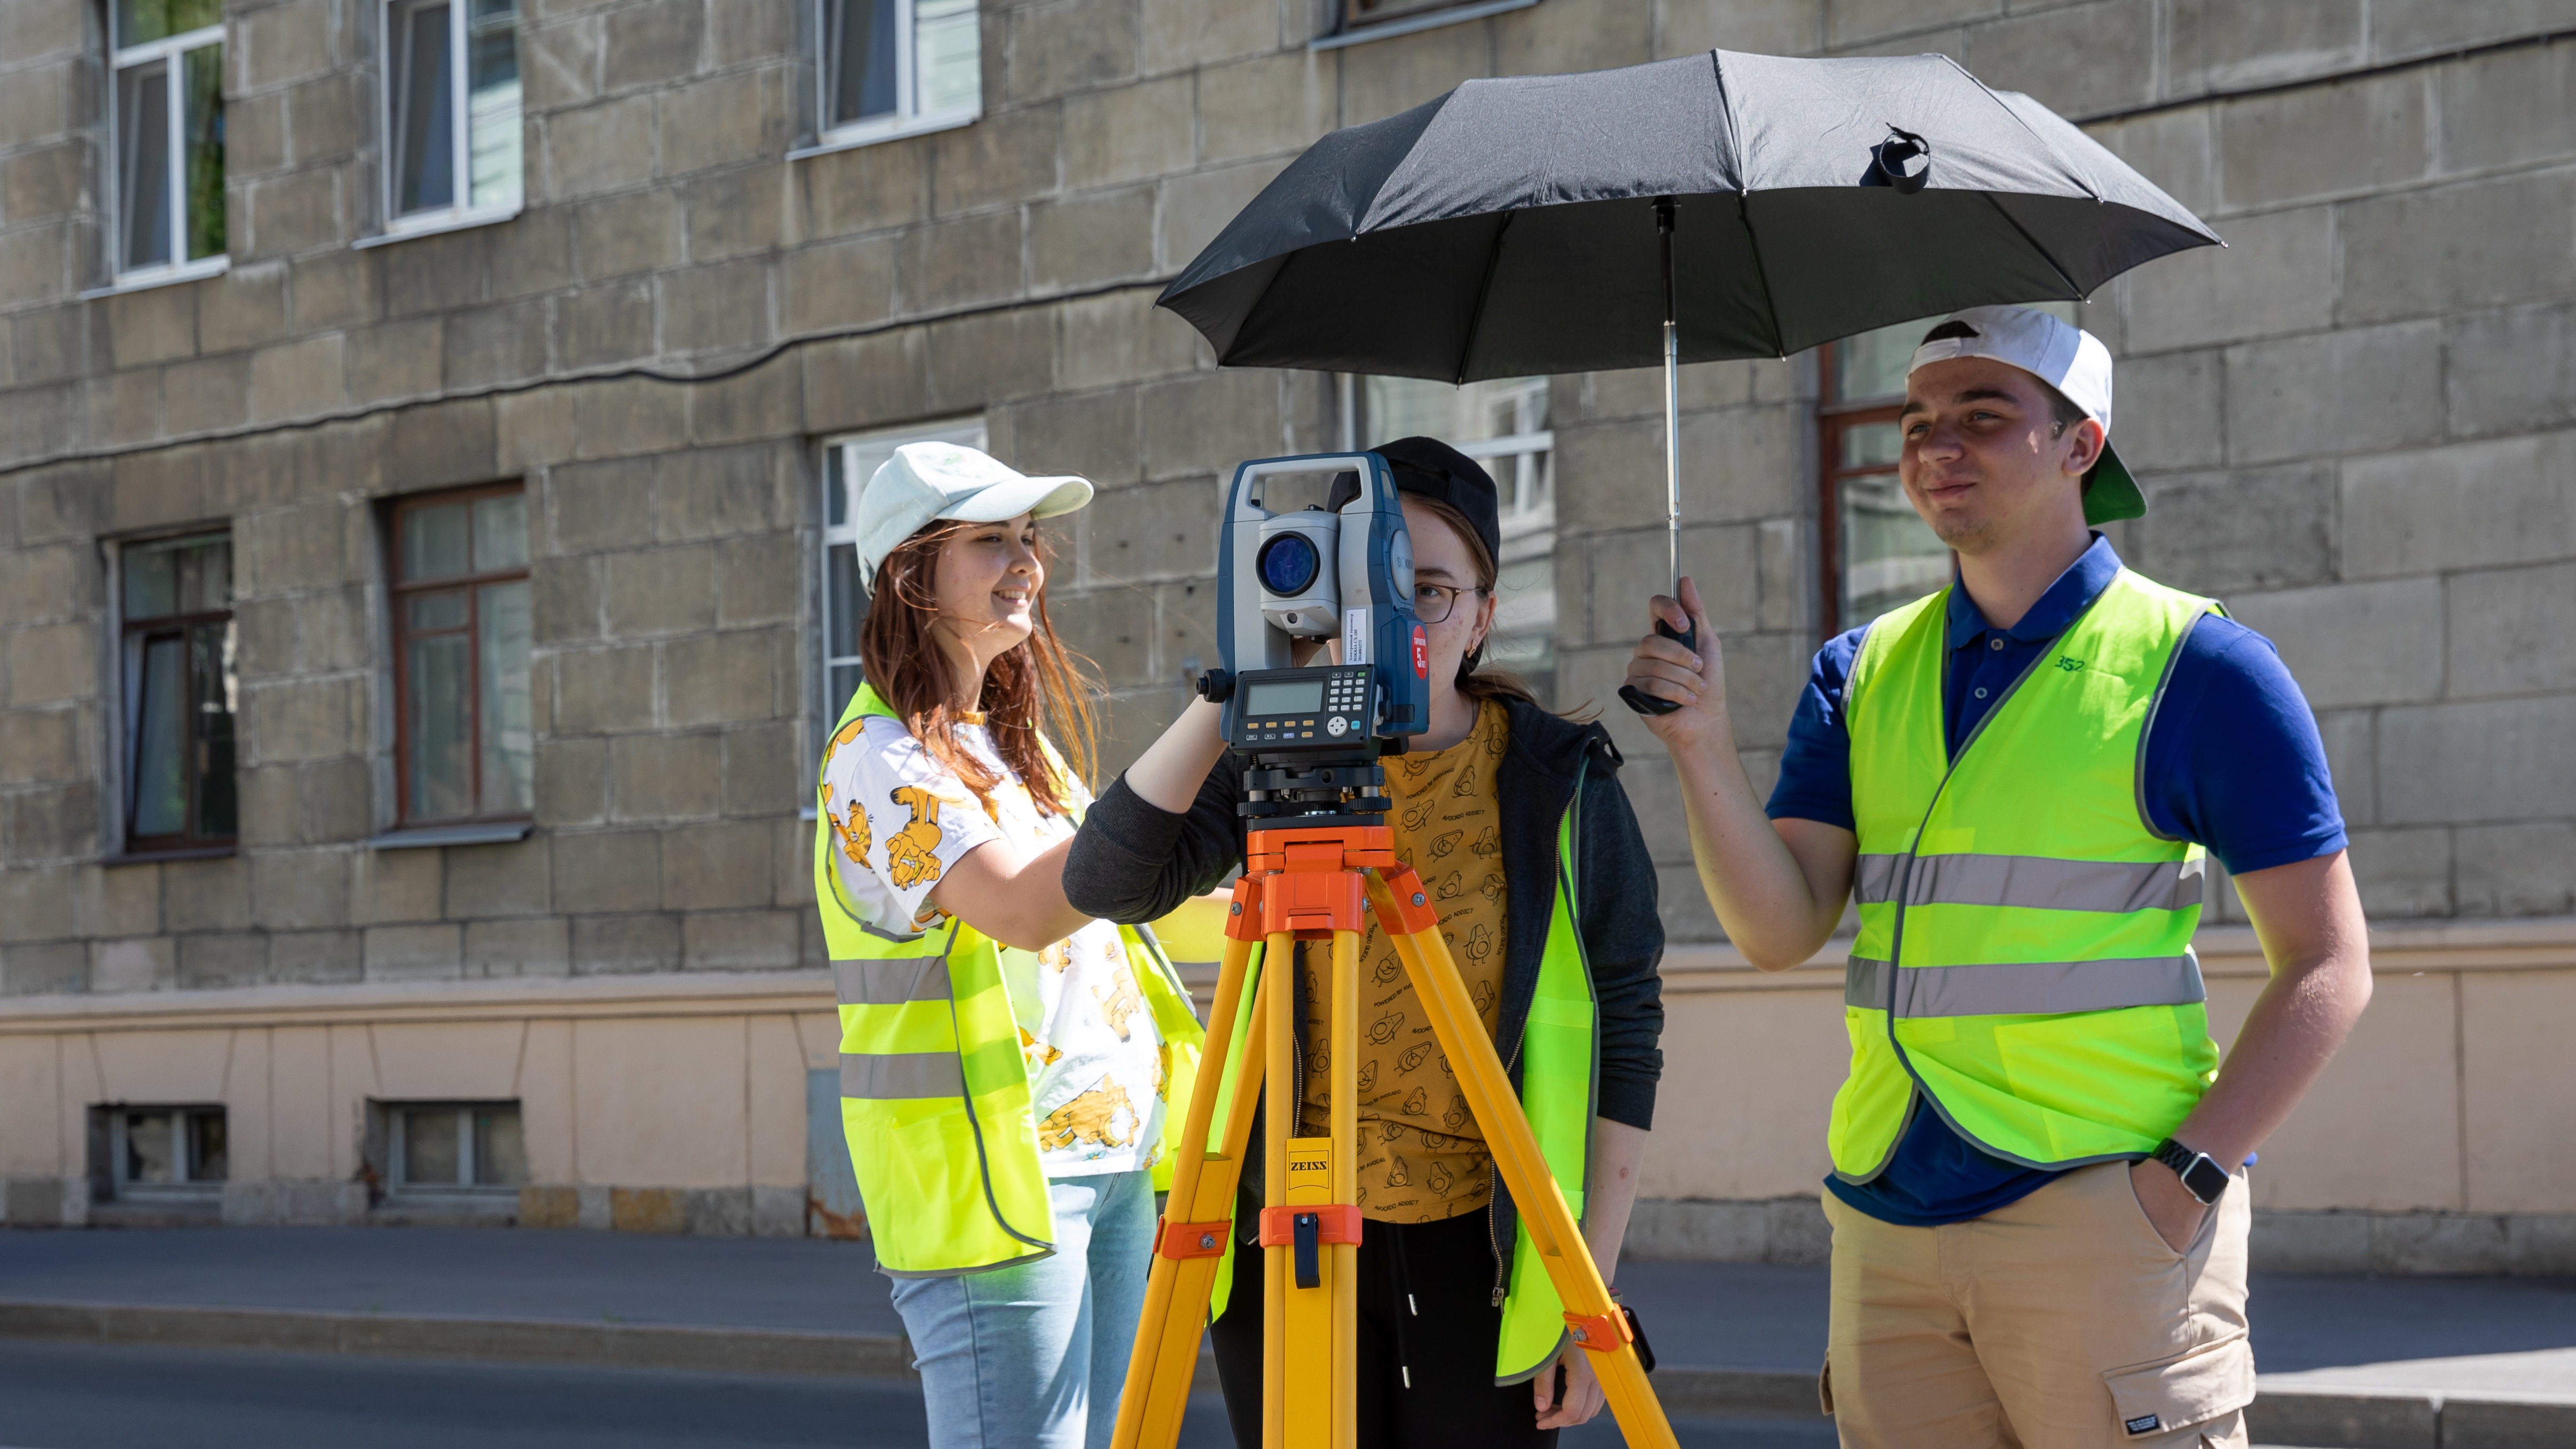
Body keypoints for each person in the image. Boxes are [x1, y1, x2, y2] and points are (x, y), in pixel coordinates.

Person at [1622, 306, 2373, 1447]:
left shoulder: (2201, 666)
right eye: (1918, 421)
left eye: (1984, 417)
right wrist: (1701, 743)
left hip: (2106, 1209)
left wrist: (2182, 1186)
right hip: (1888, 1219)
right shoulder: (1860, 668)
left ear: (2082, 445)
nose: (1936, 447)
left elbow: (2329, 965)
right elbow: (1779, 930)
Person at [1062, 437, 1665, 1448]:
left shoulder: (1558, 781)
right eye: (1362, 586)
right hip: (1283, 1230)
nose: (1393, 620)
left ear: (1482, 616)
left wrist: (1585, 1287)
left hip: (1487, 1248)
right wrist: (1235, 692)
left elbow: (1627, 1033)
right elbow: (1105, 882)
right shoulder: (1267, 767)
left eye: (1425, 590)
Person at [813, 441, 1208, 1449]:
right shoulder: (876, 760)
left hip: (1115, 1160)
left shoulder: (1008, 750)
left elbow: (1117, 910)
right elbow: (1030, 909)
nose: (1026, 561)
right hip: (1001, 1187)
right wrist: (1214, 718)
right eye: (991, 541)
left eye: (1028, 538)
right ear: (911, 570)